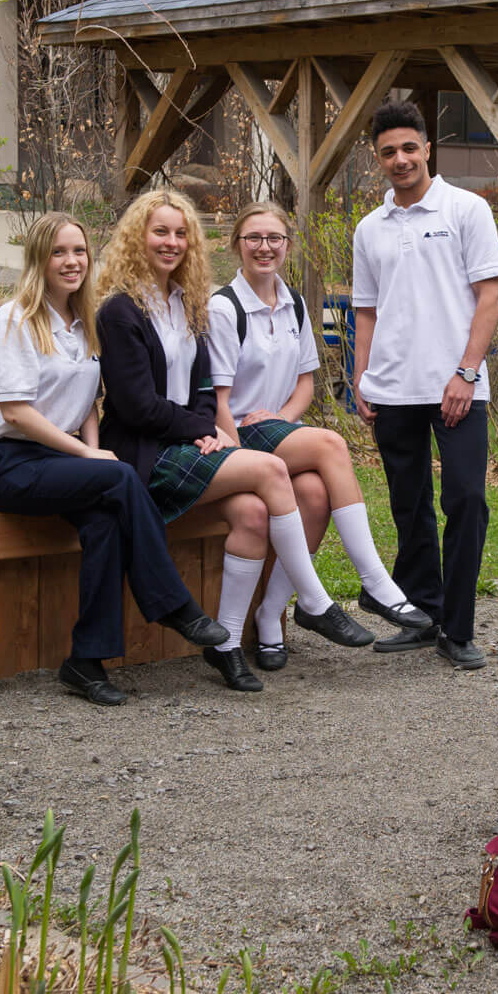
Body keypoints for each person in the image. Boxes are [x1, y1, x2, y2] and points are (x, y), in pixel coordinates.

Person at [94, 189, 374, 694]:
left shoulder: (186, 304)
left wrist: (205, 426)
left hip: (188, 445)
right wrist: (201, 430)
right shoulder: (120, 311)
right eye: (160, 232)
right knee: (270, 469)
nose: (171, 242)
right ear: (137, 237)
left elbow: (206, 389)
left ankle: (223, 644)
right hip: (145, 454)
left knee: (253, 513)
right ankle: (314, 600)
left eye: (181, 233)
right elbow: (136, 406)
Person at [0, 211, 228, 707]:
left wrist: (92, 448)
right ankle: (174, 605)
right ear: (38, 259)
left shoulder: (83, 322)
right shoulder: (15, 319)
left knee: (106, 519)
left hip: (56, 460)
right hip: (3, 462)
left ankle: (85, 661)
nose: (72, 261)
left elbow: (87, 402)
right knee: (121, 478)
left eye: (79, 251)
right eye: (59, 252)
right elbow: (16, 412)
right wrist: (88, 454)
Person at [206, 202, 430, 671]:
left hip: (275, 429)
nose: (264, 247)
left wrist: (282, 417)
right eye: (253, 238)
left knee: (313, 493)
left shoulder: (295, 302)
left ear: (287, 245)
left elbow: (305, 383)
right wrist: (241, 454)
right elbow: (218, 400)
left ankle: (270, 618)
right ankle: (374, 581)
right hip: (235, 437)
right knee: (331, 443)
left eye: (274, 238)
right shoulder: (225, 307)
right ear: (236, 245)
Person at [351, 100, 498, 670]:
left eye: (409, 148)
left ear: (427, 148)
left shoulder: (466, 209)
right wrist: (361, 377)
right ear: (377, 158)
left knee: (466, 500)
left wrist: (466, 372)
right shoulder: (369, 228)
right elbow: (366, 310)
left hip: (457, 386)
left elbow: (489, 296)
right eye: (388, 152)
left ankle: (457, 629)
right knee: (408, 505)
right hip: (392, 387)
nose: (400, 159)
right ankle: (422, 613)